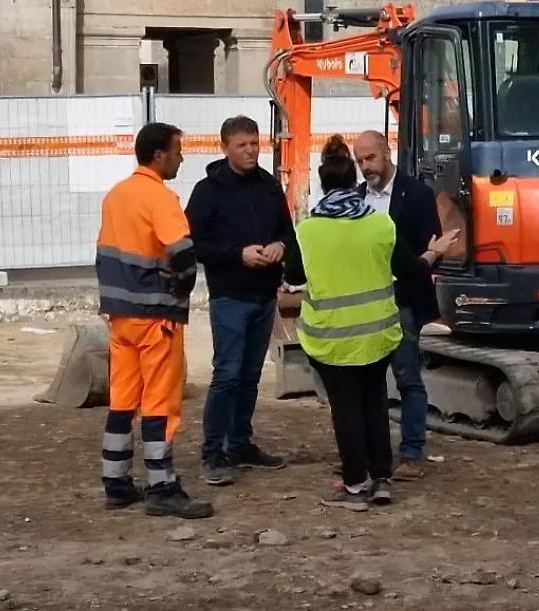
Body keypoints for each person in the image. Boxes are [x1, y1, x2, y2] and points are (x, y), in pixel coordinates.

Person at [283, 135, 458, 511]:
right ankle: (381, 479)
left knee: (346, 410)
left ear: (322, 183)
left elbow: (294, 275)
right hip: (379, 332)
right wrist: (432, 253)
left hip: (332, 337)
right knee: (375, 403)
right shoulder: (380, 226)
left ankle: (353, 484)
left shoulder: (308, 231)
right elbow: (410, 272)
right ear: (353, 181)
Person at [95, 122, 213, 519]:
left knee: (122, 400)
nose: (181, 157)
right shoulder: (161, 198)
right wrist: (179, 293)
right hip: (155, 315)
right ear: (159, 155)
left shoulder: (116, 196)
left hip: (120, 316)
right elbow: (183, 255)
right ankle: (161, 485)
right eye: (178, 150)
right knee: (160, 403)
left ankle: (117, 482)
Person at [185, 115, 295, 486]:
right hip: (230, 296)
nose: (250, 151)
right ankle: (213, 453)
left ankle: (240, 444)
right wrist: (237, 254)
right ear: (225, 147)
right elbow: (195, 243)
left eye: (254, 143)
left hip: (264, 296)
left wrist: (281, 245)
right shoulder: (209, 190)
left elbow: (287, 230)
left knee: (249, 376)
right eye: (242, 145)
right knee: (227, 375)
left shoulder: (268, 185)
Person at [352, 130, 444, 482]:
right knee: (368, 382)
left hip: (402, 302)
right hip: (367, 305)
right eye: (359, 161)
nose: (365, 167)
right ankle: (368, 453)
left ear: (386, 153)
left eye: (370, 158)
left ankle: (411, 452)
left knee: (407, 378)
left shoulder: (416, 195)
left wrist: (412, 275)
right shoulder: (357, 199)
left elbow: (431, 247)